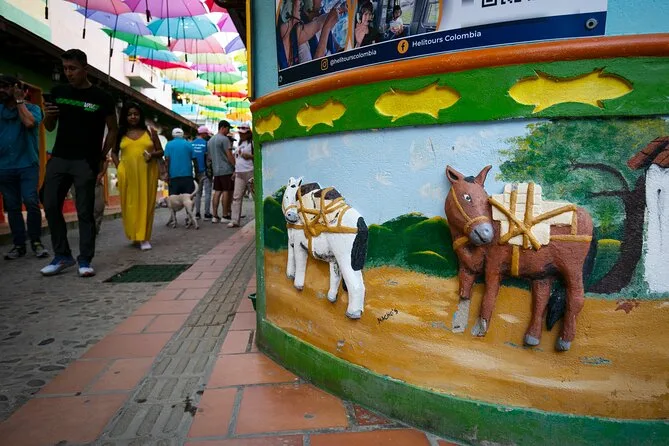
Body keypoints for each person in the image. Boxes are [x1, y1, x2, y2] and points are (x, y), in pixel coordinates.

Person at [41, 49, 117, 277]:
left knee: (84, 210)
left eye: (72, 68)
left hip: (86, 161)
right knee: (50, 203)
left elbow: (113, 129)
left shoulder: (102, 98)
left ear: (85, 68)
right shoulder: (59, 92)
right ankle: (62, 255)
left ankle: (85, 259)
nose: (68, 73)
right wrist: (49, 115)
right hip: (59, 157)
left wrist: (102, 156)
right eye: (65, 68)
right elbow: (49, 127)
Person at [0, 74, 49, 260]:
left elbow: (29, 123)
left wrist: (19, 101)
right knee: (12, 206)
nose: (1, 90)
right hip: (4, 166)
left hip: (27, 164)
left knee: (30, 201)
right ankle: (19, 245)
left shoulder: (33, 109)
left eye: (6, 86)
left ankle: (36, 242)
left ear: (17, 88)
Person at [111, 102, 163, 251]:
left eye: (136, 114)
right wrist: (119, 167)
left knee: (146, 204)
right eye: (129, 114)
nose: (133, 117)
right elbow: (114, 152)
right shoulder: (120, 133)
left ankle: (144, 237)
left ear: (140, 116)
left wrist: (152, 155)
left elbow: (161, 151)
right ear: (125, 116)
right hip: (127, 174)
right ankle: (134, 235)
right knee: (129, 206)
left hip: (147, 173)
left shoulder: (150, 132)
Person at [207, 120, 235, 223]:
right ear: (223, 127)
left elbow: (210, 157)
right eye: (228, 129)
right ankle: (225, 215)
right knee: (226, 191)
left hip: (216, 170)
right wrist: (235, 166)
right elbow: (229, 155)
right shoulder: (224, 139)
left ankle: (214, 216)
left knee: (217, 191)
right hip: (226, 169)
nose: (229, 131)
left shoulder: (210, 140)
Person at [228, 122, 254, 228]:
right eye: (240, 133)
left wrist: (250, 156)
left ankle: (260, 218)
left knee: (255, 196)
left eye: (243, 133)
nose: (241, 135)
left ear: (248, 133)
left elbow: (258, 156)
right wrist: (235, 171)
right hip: (239, 172)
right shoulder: (240, 143)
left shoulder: (252, 143)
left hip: (251, 172)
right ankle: (235, 220)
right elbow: (238, 158)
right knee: (236, 197)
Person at [164, 128, 198, 196]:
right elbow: (195, 160)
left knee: (174, 199)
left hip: (173, 176)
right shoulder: (189, 144)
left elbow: (167, 160)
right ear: (182, 134)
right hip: (187, 176)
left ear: (173, 135)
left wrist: (167, 174)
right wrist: (197, 174)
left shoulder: (169, 145)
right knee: (187, 198)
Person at [191, 126, 212, 220]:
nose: (207, 135)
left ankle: (197, 213)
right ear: (203, 134)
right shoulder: (206, 144)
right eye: (206, 134)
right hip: (205, 172)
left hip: (195, 173)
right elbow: (209, 158)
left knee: (197, 193)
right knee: (207, 193)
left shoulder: (191, 144)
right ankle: (207, 214)